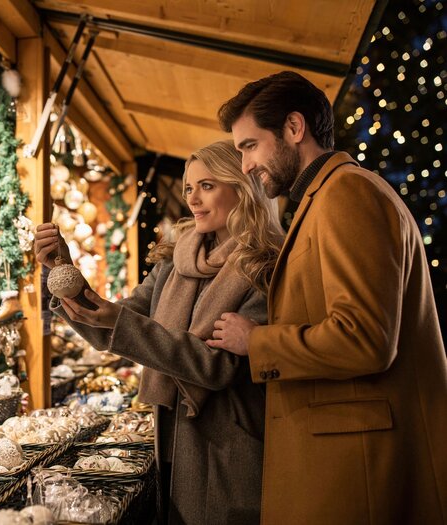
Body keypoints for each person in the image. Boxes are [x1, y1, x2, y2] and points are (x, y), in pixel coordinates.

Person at [207, 71, 447, 524]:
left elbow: (365, 339)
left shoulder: (347, 193)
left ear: (294, 129)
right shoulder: (324, 197)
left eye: (250, 146)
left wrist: (257, 342)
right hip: (344, 461)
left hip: (358, 471)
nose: (245, 166)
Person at [35, 141, 284, 525]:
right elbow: (114, 325)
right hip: (171, 433)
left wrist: (121, 323)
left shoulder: (264, 266)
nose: (193, 200)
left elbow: (215, 366)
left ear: (241, 187)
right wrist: (64, 272)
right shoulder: (175, 260)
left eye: (207, 186)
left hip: (228, 445)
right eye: (188, 188)